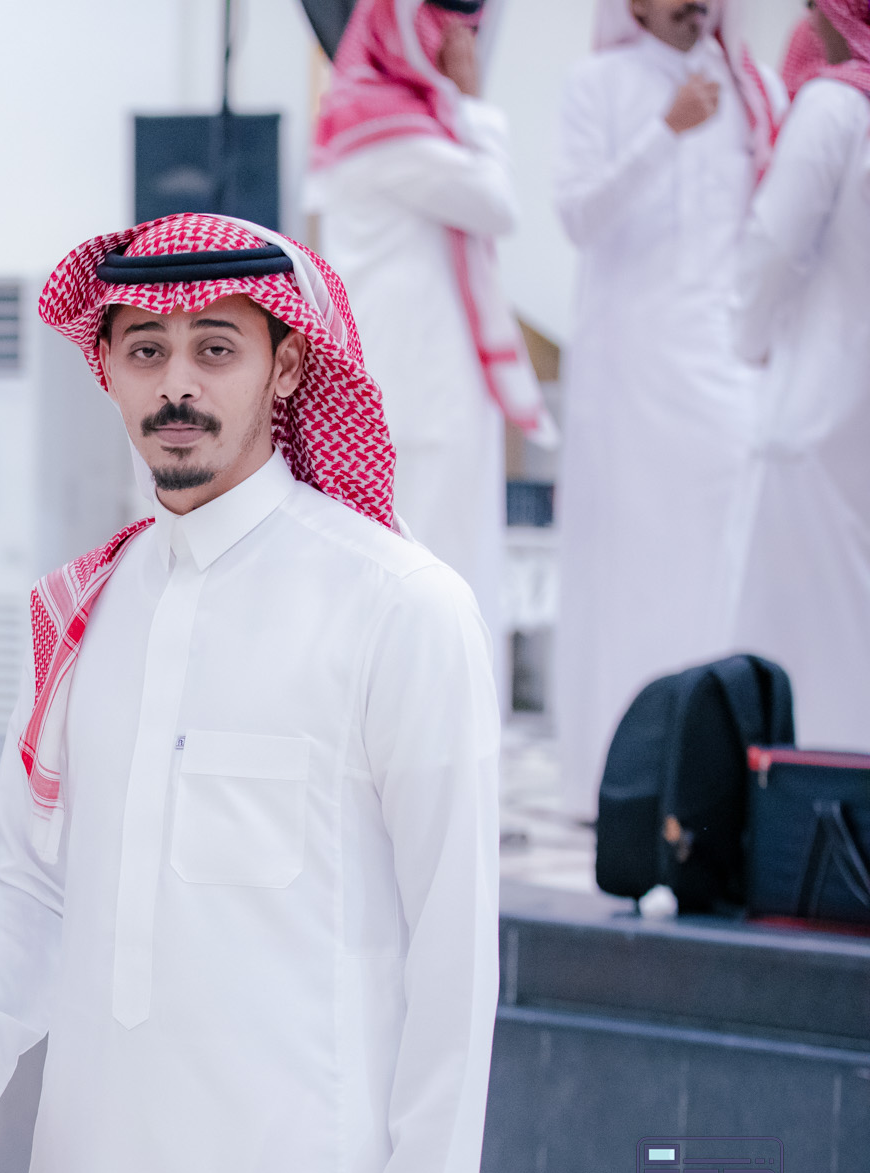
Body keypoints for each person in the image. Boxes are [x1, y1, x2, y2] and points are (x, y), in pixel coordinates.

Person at [0, 213, 500, 1173]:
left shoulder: (398, 606)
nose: (175, 385)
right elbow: (35, 890)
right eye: (145, 350)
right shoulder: (85, 609)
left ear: (286, 367)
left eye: (215, 348)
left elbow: (453, 958)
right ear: (104, 367)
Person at [550, 0, 784, 815]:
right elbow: (578, 215)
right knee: (632, 572)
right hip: (631, 368)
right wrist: (665, 131)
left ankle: (714, 782)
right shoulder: (599, 82)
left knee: (723, 564)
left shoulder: (748, 87)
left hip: (725, 363)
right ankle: (622, 782)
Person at [309, 0, 553, 689]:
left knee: (448, 565)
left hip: (430, 381)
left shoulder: (390, 122)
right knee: (432, 572)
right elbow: (496, 202)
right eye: (441, 25)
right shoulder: (385, 132)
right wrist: (472, 102)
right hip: (419, 389)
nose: (457, 41)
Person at [728, 0, 870, 750]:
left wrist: (748, 339)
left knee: (801, 652)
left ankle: (809, 813)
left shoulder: (836, 107)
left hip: (817, 413)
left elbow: (774, 244)